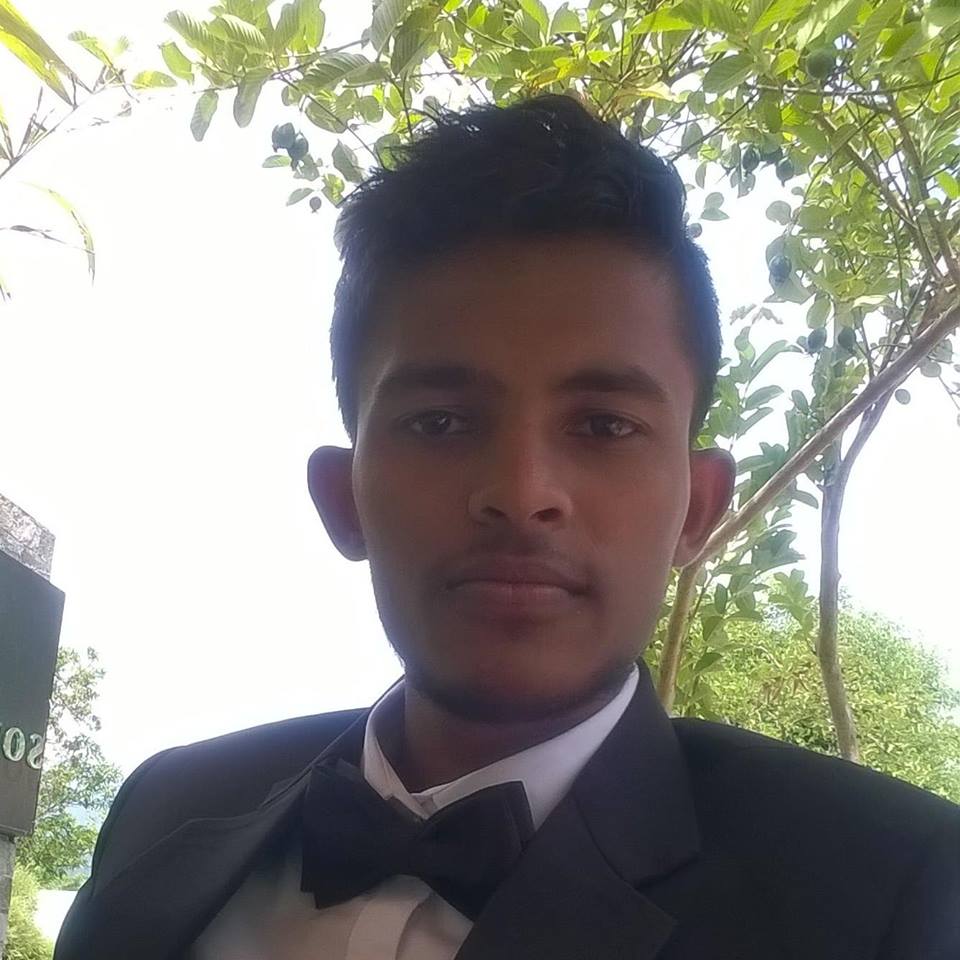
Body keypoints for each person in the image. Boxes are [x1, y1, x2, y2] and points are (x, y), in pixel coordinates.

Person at [53, 93, 959, 960]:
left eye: (604, 425)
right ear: (342, 498)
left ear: (698, 507)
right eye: (441, 422)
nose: (522, 493)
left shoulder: (892, 893)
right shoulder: (166, 811)